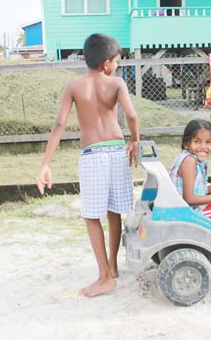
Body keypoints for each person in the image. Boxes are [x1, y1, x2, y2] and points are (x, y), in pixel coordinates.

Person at [36, 33, 140, 298]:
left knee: (92, 215)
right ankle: (112, 268)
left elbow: (60, 124)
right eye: (116, 61)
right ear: (106, 63)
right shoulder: (116, 83)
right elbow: (131, 114)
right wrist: (135, 141)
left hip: (93, 155)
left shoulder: (73, 86)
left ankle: (105, 275)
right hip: (116, 151)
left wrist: (46, 163)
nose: (117, 66)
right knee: (114, 211)